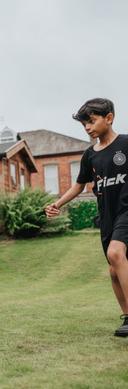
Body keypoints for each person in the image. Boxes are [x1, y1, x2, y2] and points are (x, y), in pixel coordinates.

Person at [45, 98, 128, 337]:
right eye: (84, 125)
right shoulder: (90, 155)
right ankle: (127, 318)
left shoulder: (125, 143)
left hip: (126, 210)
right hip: (108, 216)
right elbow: (79, 186)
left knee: (115, 253)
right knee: (114, 269)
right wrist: (57, 204)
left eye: (91, 121)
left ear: (109, 118)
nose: (88, 128)